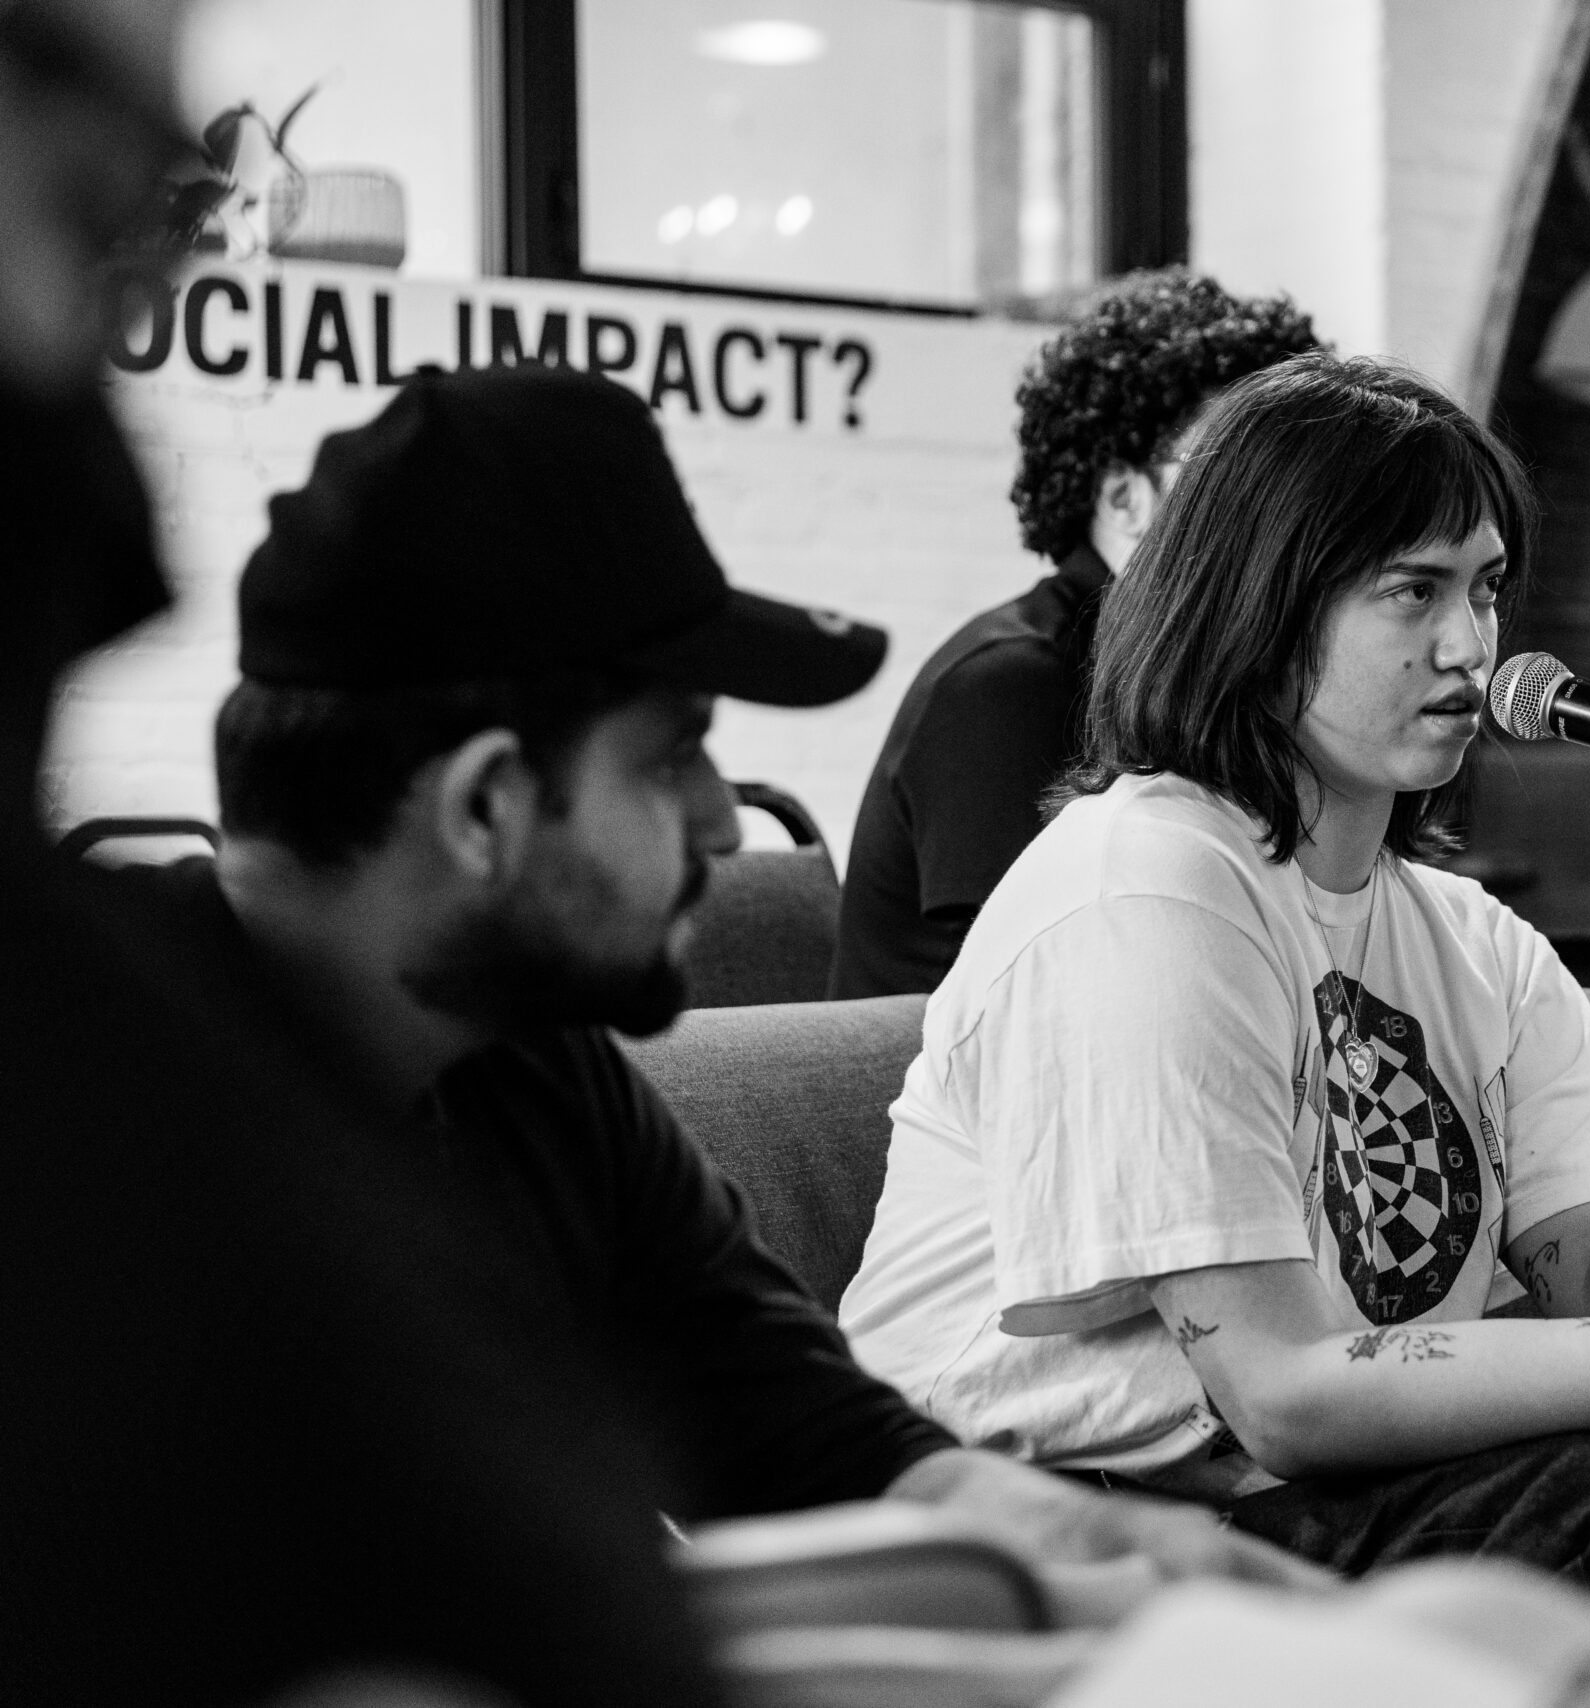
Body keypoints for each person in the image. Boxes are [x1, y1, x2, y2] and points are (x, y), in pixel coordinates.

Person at [840, 353, 1590, 1707]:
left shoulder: (1474, 943)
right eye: (1410, 592)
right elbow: (1286, 1392)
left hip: (1293, 1490)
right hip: (1061, 1528)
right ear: (1260, 608)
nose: (1470, 648)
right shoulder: (1145, 886)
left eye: (1484, 590)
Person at [196, 363, 1328, 1590]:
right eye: (673, 758)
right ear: (487, 805)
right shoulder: (99, 1120)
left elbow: (816, 1441)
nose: (721, 825)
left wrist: (1145, 1568)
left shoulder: (531, 1064)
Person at [2, 5, 724, 1705]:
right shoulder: (132, 1102)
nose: (122, 532)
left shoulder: (523, 1076)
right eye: (71, 213)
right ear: (483, 804)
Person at [829, 270, 1321, 998]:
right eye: (1233, 479)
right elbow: (1056, 984)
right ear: (1126, 498)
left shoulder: (1220, 675)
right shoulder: (1008, 685)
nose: (1276, 512)